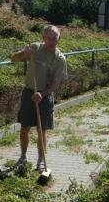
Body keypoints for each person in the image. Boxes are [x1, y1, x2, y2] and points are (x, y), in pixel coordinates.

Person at [11, 25, 68, 172]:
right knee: (24, 128)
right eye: (48, 38)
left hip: (45, 96)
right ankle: (23, 157)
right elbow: (14, 59)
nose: (51, 42)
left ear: (58, 39)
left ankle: (41, 161)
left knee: (42, 131)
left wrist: (42, 94)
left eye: (54, 39)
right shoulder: (35, 49)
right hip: (29, 93)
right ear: (43, 38)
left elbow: (56, 83)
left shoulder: (60, 59)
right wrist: (24, 52)